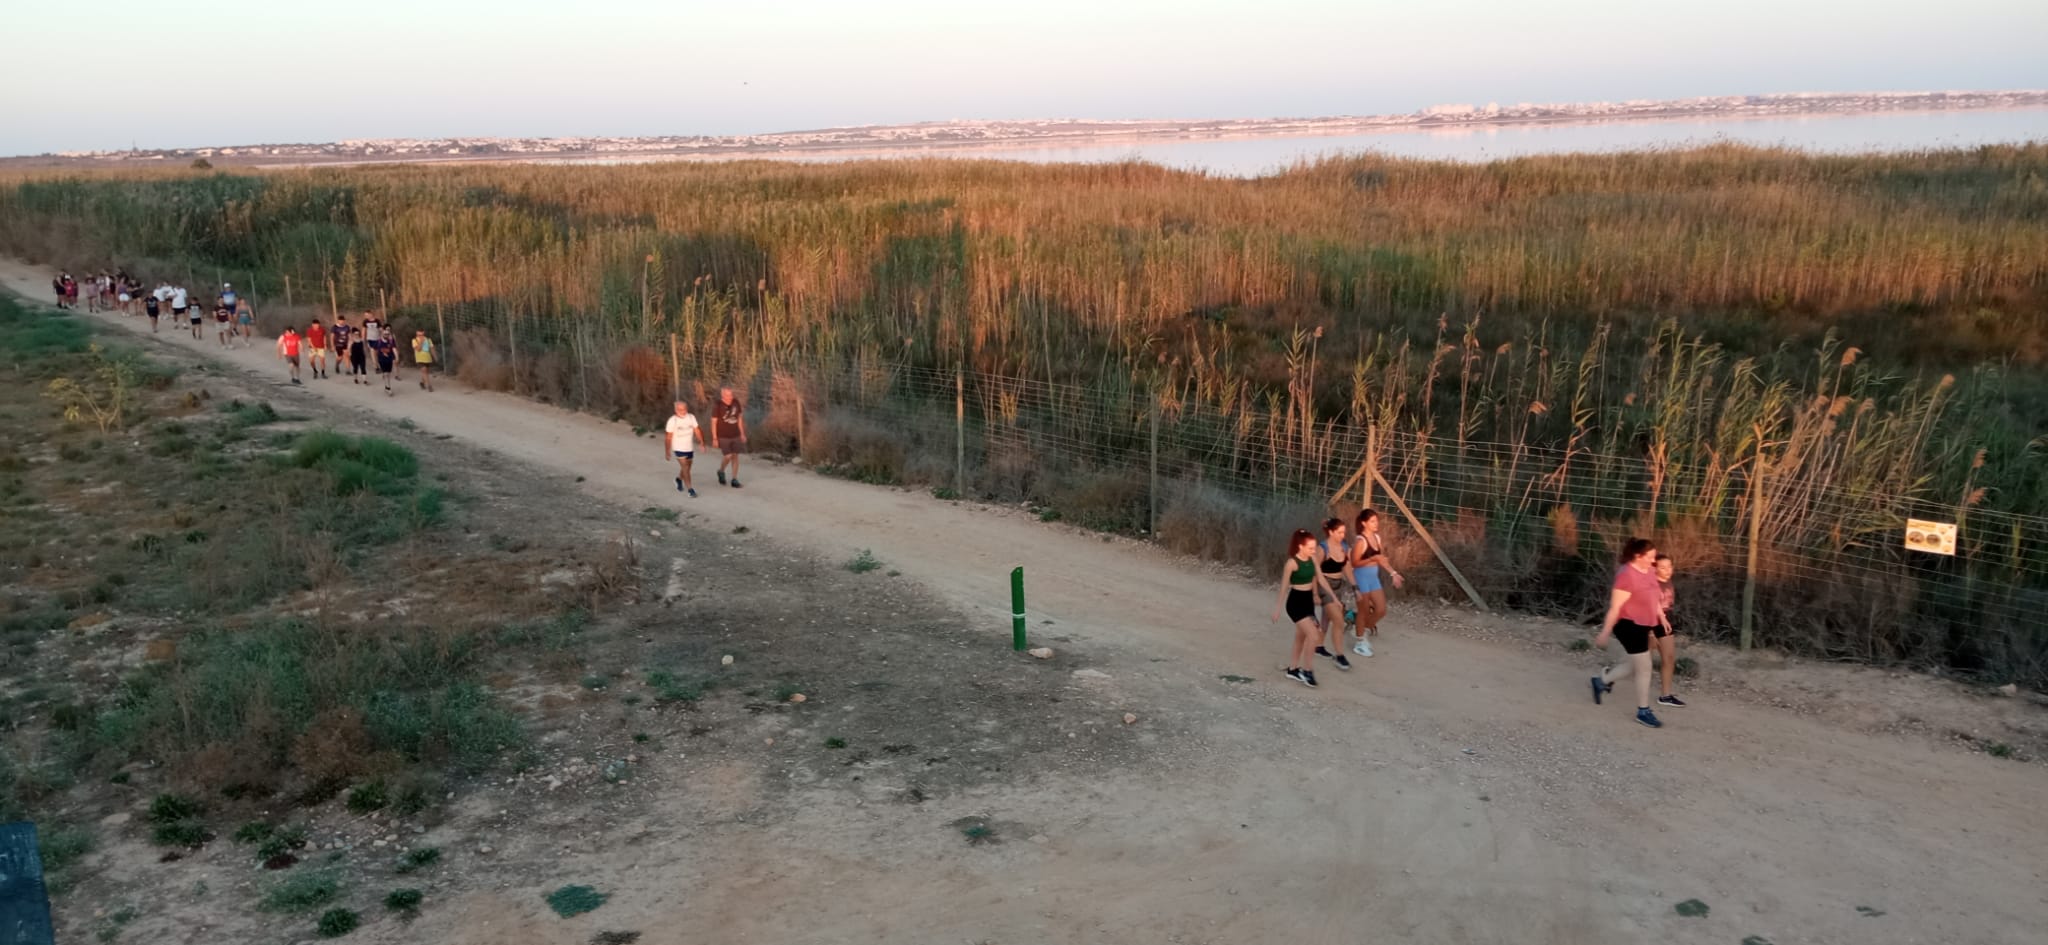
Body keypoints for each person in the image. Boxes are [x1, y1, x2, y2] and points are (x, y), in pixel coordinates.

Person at [1591, 538, 1666, 729]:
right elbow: (1615, 608)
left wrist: (1661, 617)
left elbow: (1653, 595)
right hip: (1628, 625)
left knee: (1634, 665)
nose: (1653, 560)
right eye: (1650, 556)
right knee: (1645, 667)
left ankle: (1602, 681)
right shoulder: (1626, 575)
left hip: (1644, 624)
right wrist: (1605, 632)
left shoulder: (1648, 570)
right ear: (1637, 556)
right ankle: (1643, 711)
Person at [1272, 529, 1335, 688]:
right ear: (1300, 546)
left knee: (1301, 637)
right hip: (1295, 603)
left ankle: (1293, 669)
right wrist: (1277, 609)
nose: (1314, 551)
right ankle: (1307, 670)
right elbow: (1284, 587)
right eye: (1310, 548)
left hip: (1308, 601)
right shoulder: (1292, 563)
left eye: (1314, 548)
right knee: (1314, 635)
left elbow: (1320, 579)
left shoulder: (1313, 559)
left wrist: (1333, 598)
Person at [1348, 509, 1404, 657]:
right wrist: (1372, 560)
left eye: (1376, 520)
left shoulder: (1377, 538)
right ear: (1364, 523)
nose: (1376, 524)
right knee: (1364, 610)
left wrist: (1393, 573)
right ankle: (1360, 642)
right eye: (1372, 521)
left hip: (1373, 578)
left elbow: (1381, 559)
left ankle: (1360, 630)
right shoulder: (1360, 541)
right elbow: (1354, 562)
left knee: (1381, 610)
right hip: (1361, 577)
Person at [1313, 518, 1354, 671]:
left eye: (1344, 532)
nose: (1342, 535)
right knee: (1338, 620)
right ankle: (1340, 655)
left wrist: (1355, 587)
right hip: (1324, 586)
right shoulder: (1322, 548)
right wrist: (1315, 593)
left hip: (1338, 586)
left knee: (1327, 618)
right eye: (1339, 532)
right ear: (1330, 532)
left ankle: (1318, 646)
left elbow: (1347, 568)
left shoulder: (1344, 547)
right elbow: (1314, 572)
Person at [1653, 554, 1686, 708]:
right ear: (1655, 569)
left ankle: (1665, 696)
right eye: (1662, 567)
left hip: (1666, 623)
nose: (1667, 570)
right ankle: (1606, 679)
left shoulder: (1668, 581)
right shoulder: (1652, 584)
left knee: (1669, 658)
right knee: (1638, 661)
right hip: (1651, 624)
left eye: (1669, 567)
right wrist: (1650, 633)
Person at [665, 400, 701, 498]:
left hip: (689, 447)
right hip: (678, 447)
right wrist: (667, 451)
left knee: (688, 466)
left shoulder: (691, 417)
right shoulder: (672, 420)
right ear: (676, 410)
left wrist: (701, 442)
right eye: (680, 409)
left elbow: (696, 429)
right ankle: (690, 489)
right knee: (685, 467)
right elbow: (668, 437)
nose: (682, 411)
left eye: (684, 409)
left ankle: (678, 479)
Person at [711, 387, 747, 488]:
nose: (730, 397)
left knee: (735, 456)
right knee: (728, 456)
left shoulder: (736, 402)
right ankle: (721, 471)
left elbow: (739, 419)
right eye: (727, 395)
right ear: (722, 395)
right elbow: (714, 422)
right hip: (723, 435)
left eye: (731, 395)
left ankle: (734, 479)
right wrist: (714, 438)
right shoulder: (717, 405)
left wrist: (742, 433)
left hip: (735, 434)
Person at [372, 330, 398, 394]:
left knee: (388, 374)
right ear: (382, 334)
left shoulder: (391, 341)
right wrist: (375, 361)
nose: (386, 335)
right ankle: (389, 388)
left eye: (387, 334)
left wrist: (397, 357)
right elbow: (374, 351)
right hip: (381, 360)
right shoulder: (378, 342)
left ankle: (386, 386)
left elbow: (394, 349)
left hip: (389, 359)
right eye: (385, 334)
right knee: (386, 373)